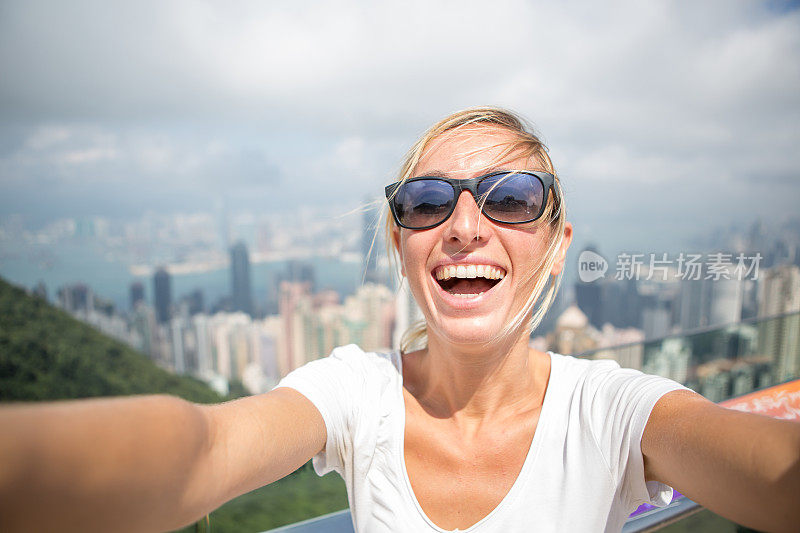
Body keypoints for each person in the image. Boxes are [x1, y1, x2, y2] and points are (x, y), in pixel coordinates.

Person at [0, 107, 798, 533]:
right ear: (401, 239)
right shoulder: (357, 392)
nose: (464, 225)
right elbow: (200, 450)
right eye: (427, 202)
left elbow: (770, 469)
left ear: (558, 247)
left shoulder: (612, 410)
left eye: (510, 198)